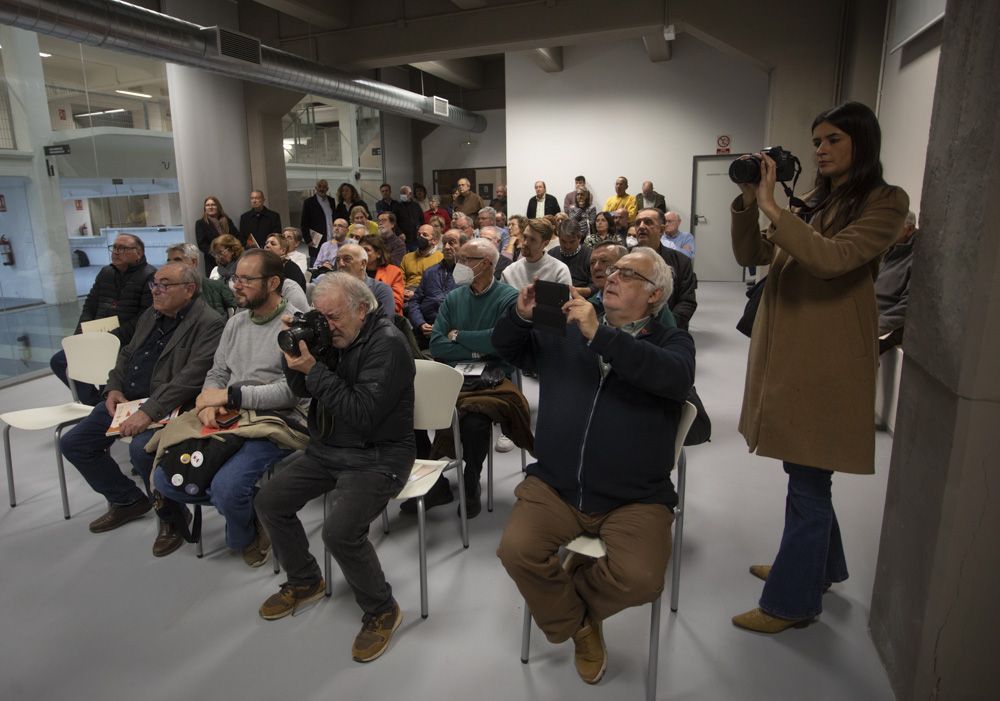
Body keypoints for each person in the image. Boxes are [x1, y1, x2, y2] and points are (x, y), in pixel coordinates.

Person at [729, 101, 908, 633]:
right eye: (817, 142)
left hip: (826, 357)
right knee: (804, 469)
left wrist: (775, 208)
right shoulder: (812, 198)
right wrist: (748, 202)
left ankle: (792, 602)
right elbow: (753, 256)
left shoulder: (885, 202)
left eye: (832, 139)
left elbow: (832, 260)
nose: (821, 149)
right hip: (789, 349)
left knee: (809, 478)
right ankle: (817, 567)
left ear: (862, 142)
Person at [493, 247, 694, 685]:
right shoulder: (567, 325)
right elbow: (507, 349)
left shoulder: (671, 341)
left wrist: (600, 335)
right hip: (557, 484)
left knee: (641, 579)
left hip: (635, 495)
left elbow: (675, 379)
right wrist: (522, 317)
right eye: (612, 270)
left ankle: (566, 605)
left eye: (628, 273)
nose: (612, 276)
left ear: (654, 294)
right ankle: (582, 627)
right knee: (516, 550)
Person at [255, 273, 415, 664]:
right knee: (269, 500)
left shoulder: (388, 345)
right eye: (319, 316)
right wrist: (297, 353)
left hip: (379, 455)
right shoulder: (332, 337)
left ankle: (381, 609)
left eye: (333, 317)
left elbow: (363, 414)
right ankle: (305, 580)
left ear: (362, 310)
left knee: (339, 532)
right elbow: (301, 389)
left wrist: (315, 369)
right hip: (328, 447)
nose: (326, 326)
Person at [150, 249, 308, 566]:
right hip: (229, 415)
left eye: (246, 279)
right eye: (236, 278)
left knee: (226, 488)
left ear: (274, 282)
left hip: (277, 421)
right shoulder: (235, 323)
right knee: (164, 479)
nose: (236, 285)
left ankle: (246, 533)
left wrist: (229, 397)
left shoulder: (294, 326)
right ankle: (254, 512)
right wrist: (209, 400)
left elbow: (291, 392)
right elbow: (218, 372)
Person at [59, 263, 225, 538]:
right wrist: (112, 388)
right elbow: (126, 354)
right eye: (154, 284)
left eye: (164, 285)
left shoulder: (209, 323)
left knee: (141, 450)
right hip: (128, 401)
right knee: (74, 443)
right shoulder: (151, 314)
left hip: (171, 406)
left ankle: (172, 516)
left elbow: (190, 378)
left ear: (189, 289)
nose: (155, 291)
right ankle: (128, 500)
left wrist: (149, 411)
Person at [418, 238, 521, 518]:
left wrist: (460, 337)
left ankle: (471, 479)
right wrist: (478, 350)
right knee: (413, 412)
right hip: (452, 375)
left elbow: (499, 343)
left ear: (486, 264)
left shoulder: (508, 298)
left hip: (492, 377)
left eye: (466, 259)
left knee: (475, 423)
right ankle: (435, 482)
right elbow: (437, 344)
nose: (459, 264)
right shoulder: (454, 297)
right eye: (459, 258)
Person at [50, 234, 156, 405]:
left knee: (108, 370)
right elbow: (89, 307)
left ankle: (105, 403)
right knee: (60, 360)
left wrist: (111, 336)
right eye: (113, 248)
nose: (115, 252)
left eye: (122, 248)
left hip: (125, 342)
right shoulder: (106, 273)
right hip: (96, 337)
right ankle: (93, 403)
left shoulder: (150, 276)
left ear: (138, 252)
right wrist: (80, 335)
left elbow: (145, 317)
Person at [634, 209, 698, 329]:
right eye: (638, 223)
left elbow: (687, 302)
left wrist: (668, 325)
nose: (641, 226)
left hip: (668, 327)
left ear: (662, 230)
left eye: (648, 222)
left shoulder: (681, 261)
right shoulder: (625, 258)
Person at [407, 229, 463, 347]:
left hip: (452, 332)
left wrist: (440, 328)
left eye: (452, 242)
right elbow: (414, 301)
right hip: (424, 329)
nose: (447, 247)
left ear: (463, 246)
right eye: (444, 243)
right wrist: (420, 323)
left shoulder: (469, 274)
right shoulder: (430, 272)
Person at [876, 210, 917, 354]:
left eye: (893, 226)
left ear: (909, 230)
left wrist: (875, 328)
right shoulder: (887, 247)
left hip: (882, 327)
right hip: (863, 316)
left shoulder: (916, 259)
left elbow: (907, 306)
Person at [165, 242, 235, 318]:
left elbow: (238, 310)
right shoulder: (165, 291)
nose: (171, 265)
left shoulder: (217, 287)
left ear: (194, 262)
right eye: (169, 261)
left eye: (177, 260)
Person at [502, 218, 572, 289]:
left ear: (545, 243)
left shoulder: (560, 271)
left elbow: (567, 300)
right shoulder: (509, 272)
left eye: (532, 240)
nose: (525, 243)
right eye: (525, 237)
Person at [335, 243, 395, 318]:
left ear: (363, 264)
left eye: (347, 259)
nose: (341, 264)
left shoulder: (381, 290)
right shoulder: (330, 286)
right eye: (337, 260)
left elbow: (386, 325)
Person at [360, 234, 405, 316]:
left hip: (385, 318)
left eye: (367, 250)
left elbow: (396, 304)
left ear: (378, 254)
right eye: (361, 250)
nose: (363, 253)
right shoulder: (356, 270)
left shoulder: (394, 272)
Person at [195, 196, 239, 275]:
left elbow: (237, 237)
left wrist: (232, 252)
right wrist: (218, 255)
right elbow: (202, 244)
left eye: (213, 204)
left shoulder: (227, 220)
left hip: (232, 261)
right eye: (207, 205)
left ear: (218, 206)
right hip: (213, 262)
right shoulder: (201, 223)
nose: (210, 207)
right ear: (205, 208)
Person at [549, 219, 593, 297]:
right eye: (563, 241)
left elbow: (596, 285)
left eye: (572, 242)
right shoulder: (551, 254)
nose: (567, 246)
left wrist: (576, 291)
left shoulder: (590, 255)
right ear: (558, 237)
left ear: (579, 238)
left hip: (582, 299)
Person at [400, 224, 443, 292]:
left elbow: (440, 284)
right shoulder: (407, 257)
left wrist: (417, 295)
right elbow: (400, 280)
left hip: (429, 293)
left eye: (425, 235)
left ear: (434, 241)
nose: (420, 237)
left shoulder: (441, 258)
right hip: (407, 291)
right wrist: (403, 292)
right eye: (419, 234)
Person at [300, 180, 335, 252]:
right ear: (316, 188)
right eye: (319, 186)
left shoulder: (331, 201)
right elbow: (304, 223)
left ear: (327, 189)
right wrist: (308, 240)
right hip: (316, 241)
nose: (321, 189)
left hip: (332, 239)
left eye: (324, 187)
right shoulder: (309, 202)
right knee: (316, 262)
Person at [396, 185, 424, 251]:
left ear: (410, 194)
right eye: (401, 193)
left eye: (404, 193)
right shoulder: (397, 207)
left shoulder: (416, 205)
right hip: (403, 238)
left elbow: (422, 219)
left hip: (416, 238)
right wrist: (399, 233)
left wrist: (421, 231)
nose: (402, 195)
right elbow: (394, 222)